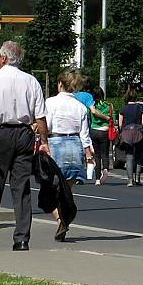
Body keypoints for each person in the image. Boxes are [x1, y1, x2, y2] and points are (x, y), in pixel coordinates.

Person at [0, 41, 49, 252]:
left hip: (0, 135)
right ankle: (22, 238)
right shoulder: (32, 81)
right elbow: (40, 117)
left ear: (4, 58)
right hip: (25, 133)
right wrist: (43, 142)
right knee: (22, 188)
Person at [44, 68, 93, 242]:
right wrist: (88, 154)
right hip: (75, 145)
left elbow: (47, 126)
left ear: (60, 84)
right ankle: (64, 217)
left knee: (49, 191)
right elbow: (84, 134)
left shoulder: (50, 103)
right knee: (66, 190)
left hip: (55, 143)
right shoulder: (81, 107)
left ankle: (61, 220)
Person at [118, 89, 143, 186]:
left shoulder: (123, 109)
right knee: (138, 157)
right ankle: (137, 178)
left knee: (129, 157)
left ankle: (130, 180)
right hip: (138, 133)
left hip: (127, 134)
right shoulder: (140, 108)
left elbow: (120, 125)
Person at [89, 86, 114, 186]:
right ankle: (106, 169)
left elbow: (89, 117)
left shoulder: (91, 106)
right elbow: (113, 117)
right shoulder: (108, 105)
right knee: (105, 153)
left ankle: (97, 179)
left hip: (94, 130)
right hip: (104, 131)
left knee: (97, 155)